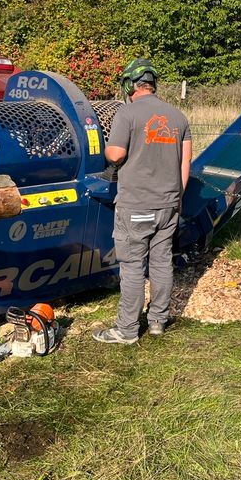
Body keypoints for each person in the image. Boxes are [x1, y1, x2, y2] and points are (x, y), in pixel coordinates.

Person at [92, 58, 192, 345]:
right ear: (153, 85)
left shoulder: (127, 113)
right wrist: (176, 197)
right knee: (161, 263)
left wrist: (109, 146)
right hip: (169, 204)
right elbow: (185, 162)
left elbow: (115, 155)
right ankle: (158, 320)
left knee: (133, 266)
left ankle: (126, 330)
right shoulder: (178, 117)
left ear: (129, 85)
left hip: (137, 205)